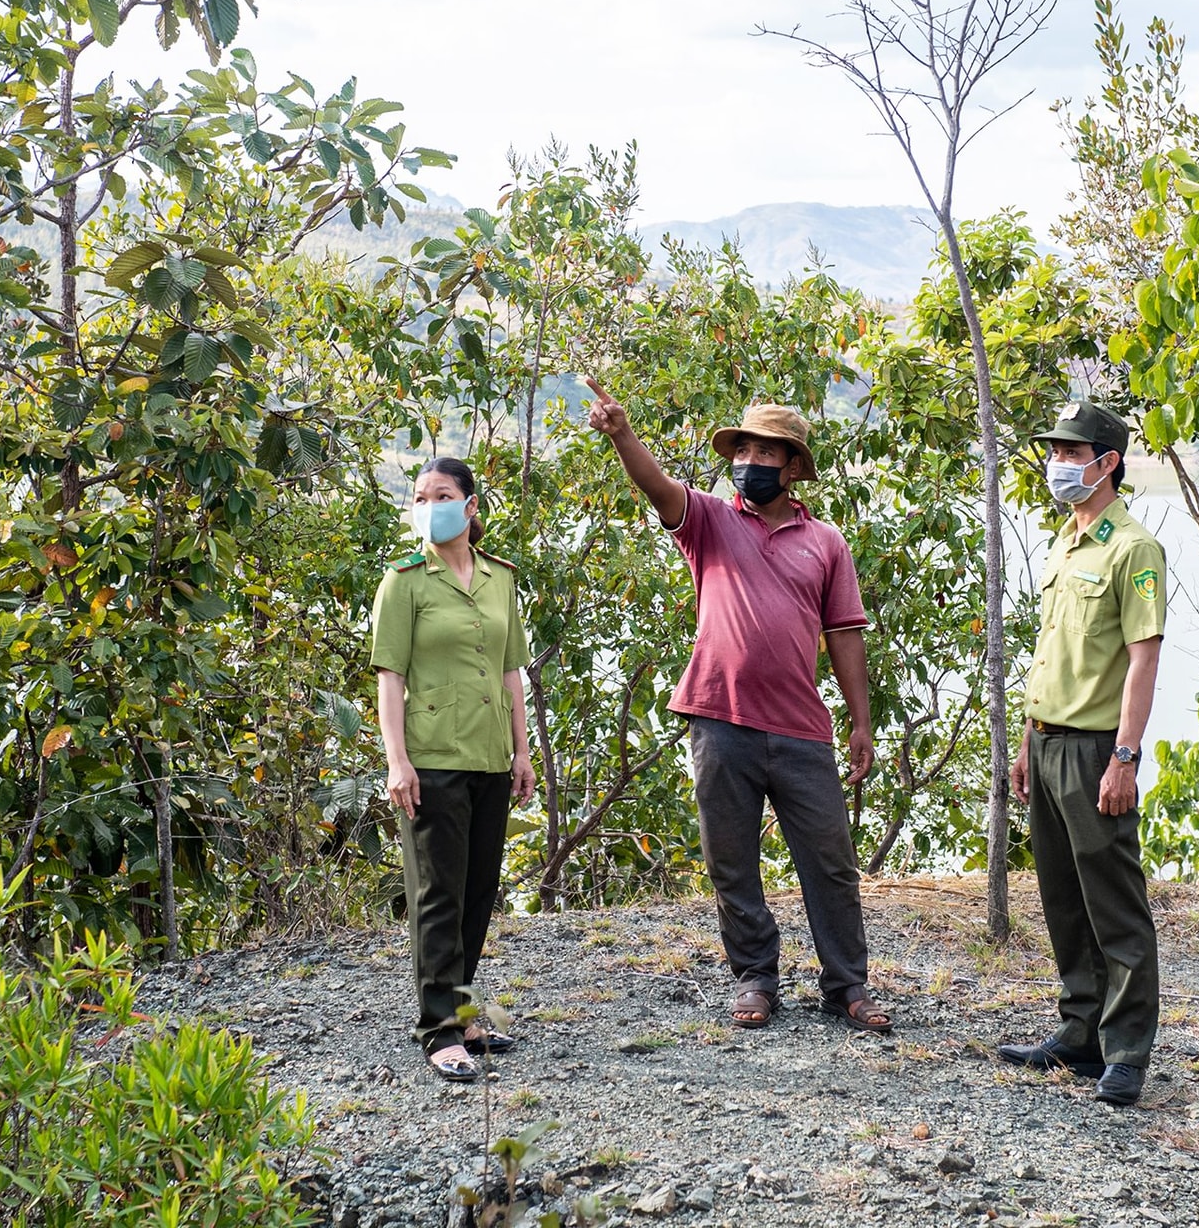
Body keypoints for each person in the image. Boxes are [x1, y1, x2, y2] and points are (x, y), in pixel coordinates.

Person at [584, 378, 891, 1033]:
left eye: (764, 452)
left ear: (791, 467)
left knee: (831, 864)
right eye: (742, 449)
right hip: (719, 718)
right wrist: (621, 434)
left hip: (802, 728)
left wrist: (861, 722)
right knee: (731, 859)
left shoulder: (826, 543)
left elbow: (845, 635)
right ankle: (755, 978)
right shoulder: (711, 521)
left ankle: (847, 987)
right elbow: (658, 487)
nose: (748, 462)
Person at [999, 399, 1165, 1107]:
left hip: (1098, 749)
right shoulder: (1067, 542)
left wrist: (1124, 757)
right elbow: (1055, 651)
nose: (1058, 464)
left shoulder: (1133, 549)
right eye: (1055, 452)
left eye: (1071, 453)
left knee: (1114, 905)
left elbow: (1142, 660)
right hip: (1046, 741)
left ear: (1108, 463)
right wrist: (1026, 739)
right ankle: (1080, 1036)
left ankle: (1126, 1051)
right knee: (1063, 899)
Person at [371, 457, 536, 1083]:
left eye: (441, 495)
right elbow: (390, 677)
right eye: (419, 496)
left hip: (490, 755)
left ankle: (464, 1012)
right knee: (438, 894)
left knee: (477, 891)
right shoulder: (404, 580)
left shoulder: (499, 580)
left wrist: (522, 753)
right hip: (432, 756)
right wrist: (397, 762)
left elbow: (511, 673)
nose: (428, 505)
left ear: (470, 507)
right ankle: (438, 1030)